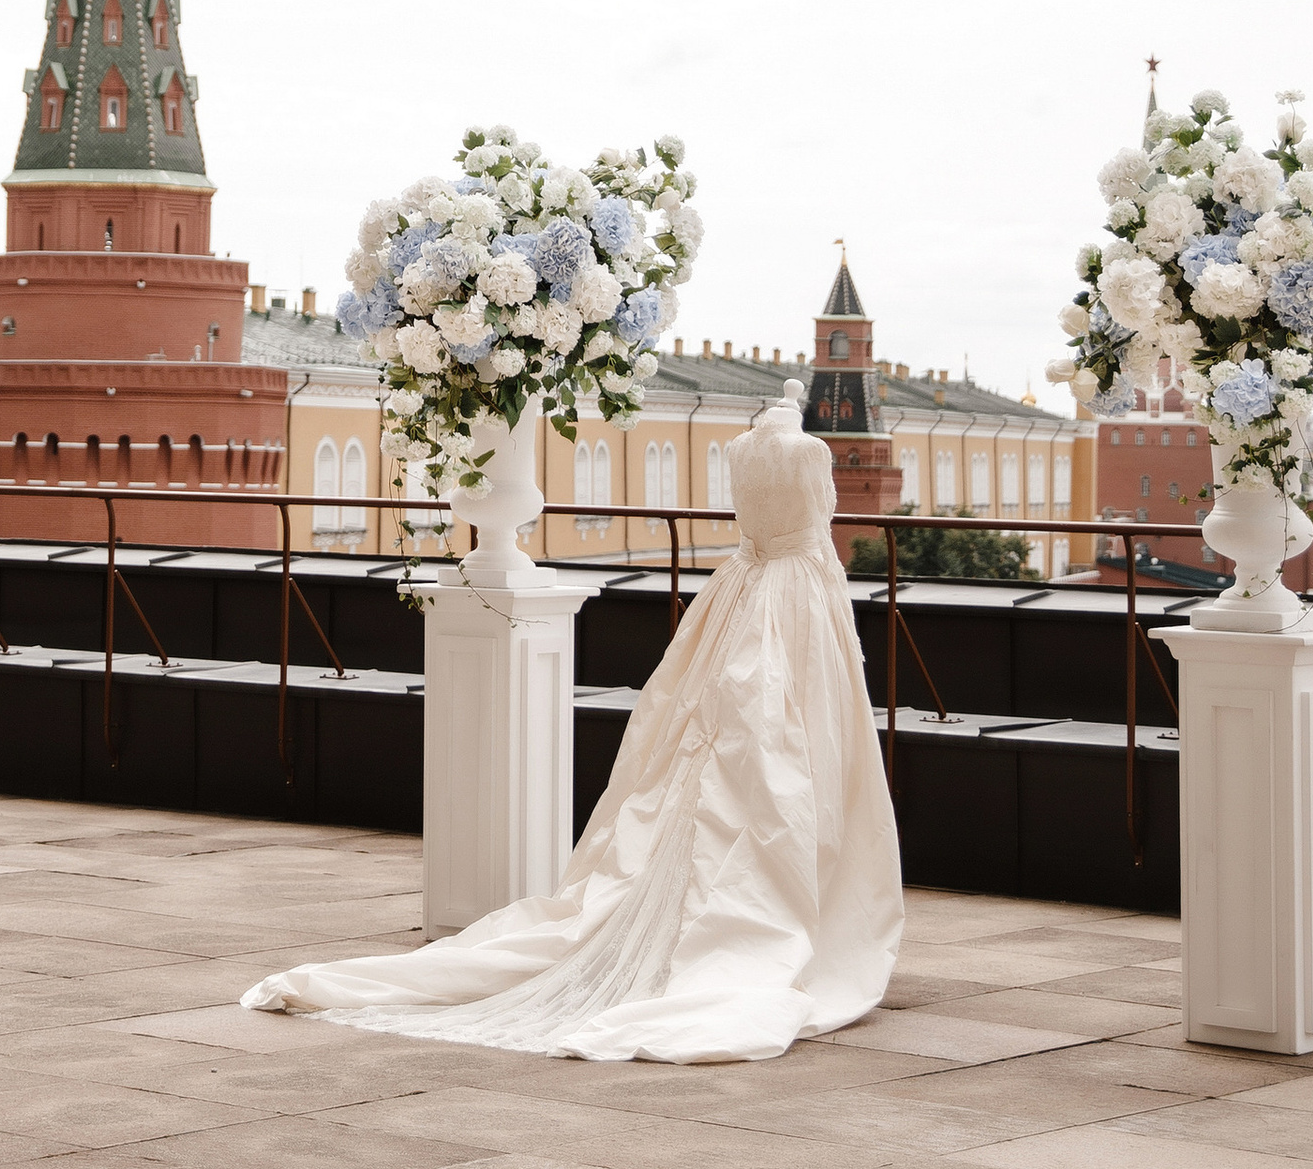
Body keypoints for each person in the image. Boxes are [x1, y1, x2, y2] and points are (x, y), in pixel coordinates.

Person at [244, 380, 901, 1062]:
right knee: (784, 757)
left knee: (725, 755)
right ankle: (787, 915)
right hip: (798, 598)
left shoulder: (745, 449)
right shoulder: (808, 452)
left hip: (742, 593)